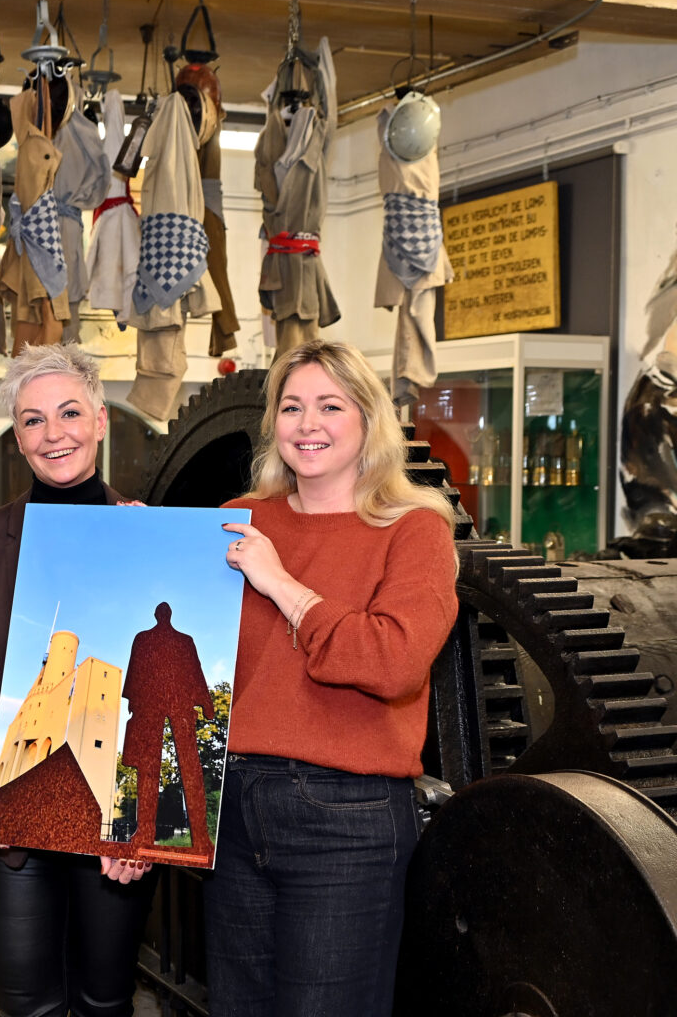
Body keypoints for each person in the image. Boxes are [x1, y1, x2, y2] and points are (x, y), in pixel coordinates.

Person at [204, 339, 459, 1017]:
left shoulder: (415, 529)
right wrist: (142, 553)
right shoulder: (239, 518)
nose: (307, 424)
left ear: (367, 419)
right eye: (291, 407)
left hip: (348, 820)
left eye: (329, 406)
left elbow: (391, 662)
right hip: (232, 808)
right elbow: (184, 664)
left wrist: (281, 583)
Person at [0, 343, 155, 1017]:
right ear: (17, 438)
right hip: (11, 822)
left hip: (116, 822)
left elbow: (164, 695)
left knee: (105, 999)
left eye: (69, 413)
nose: (53, 434)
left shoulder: (148, 537)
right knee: (26, 1003)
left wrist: (148, 819)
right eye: (32, 420)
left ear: (100, 421)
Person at [120, 601, 215, 858]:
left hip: (177, 707)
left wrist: (205, 701)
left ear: (164, 615)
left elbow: (195, 671)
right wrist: (133, 703)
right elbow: (136, 671)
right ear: (161, 615)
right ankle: (146, 832)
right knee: (149, 767)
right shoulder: (147, 639)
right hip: (153, 707)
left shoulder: (182, 641)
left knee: (189, 766)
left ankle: (201, 836)